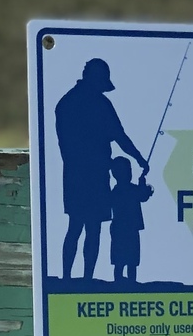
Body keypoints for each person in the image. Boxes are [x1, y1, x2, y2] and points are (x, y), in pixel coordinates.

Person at [54, 58, 147, 281]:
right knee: (81, 226)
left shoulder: (70, 103)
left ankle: (81, 278)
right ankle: (74, 277)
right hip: (85, 176)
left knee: (85, 227)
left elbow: (119, 136)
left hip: (85, 176)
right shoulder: (76, 104)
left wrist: (137, 157)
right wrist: (138, 158)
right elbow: (118, 137)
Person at [107, 158, 152, 283]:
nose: (129, 172)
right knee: (125, 260)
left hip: (121, 228)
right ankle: (127, 282)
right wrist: (142, 182)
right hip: (127, 228)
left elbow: (143, 195)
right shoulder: (128, 190)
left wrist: (142, 182)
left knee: (126, 260)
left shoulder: (116, 191)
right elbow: (143, 196)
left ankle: (124, 281)